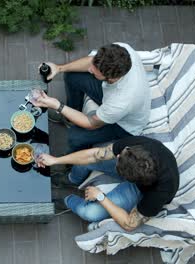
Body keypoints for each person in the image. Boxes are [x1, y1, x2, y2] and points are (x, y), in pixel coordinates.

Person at [36, 136, 179, 231]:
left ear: (128, 179)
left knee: (90, 212)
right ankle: (71, 179)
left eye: (118, 159)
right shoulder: (138, 147)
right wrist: (55, 160)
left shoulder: (160, 193)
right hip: (137, 172)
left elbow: (130, 224)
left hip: (142, 190)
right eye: (120, 155)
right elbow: (94, 155)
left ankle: (67, 201)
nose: (116, 155)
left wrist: (100, 197)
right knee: (91, 158)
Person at [35, 43, 150, 151]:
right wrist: (59, 68)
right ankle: (69, 118)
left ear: (110, 78)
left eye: (95, 72)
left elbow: (91, 123)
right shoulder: (122, 51)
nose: (89, 70)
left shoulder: (121, 103)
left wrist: (58, 106)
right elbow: (91, 61)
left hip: (124, 123)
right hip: (111, 96)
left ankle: (71, 165)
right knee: (72, 75)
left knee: (75, 137)